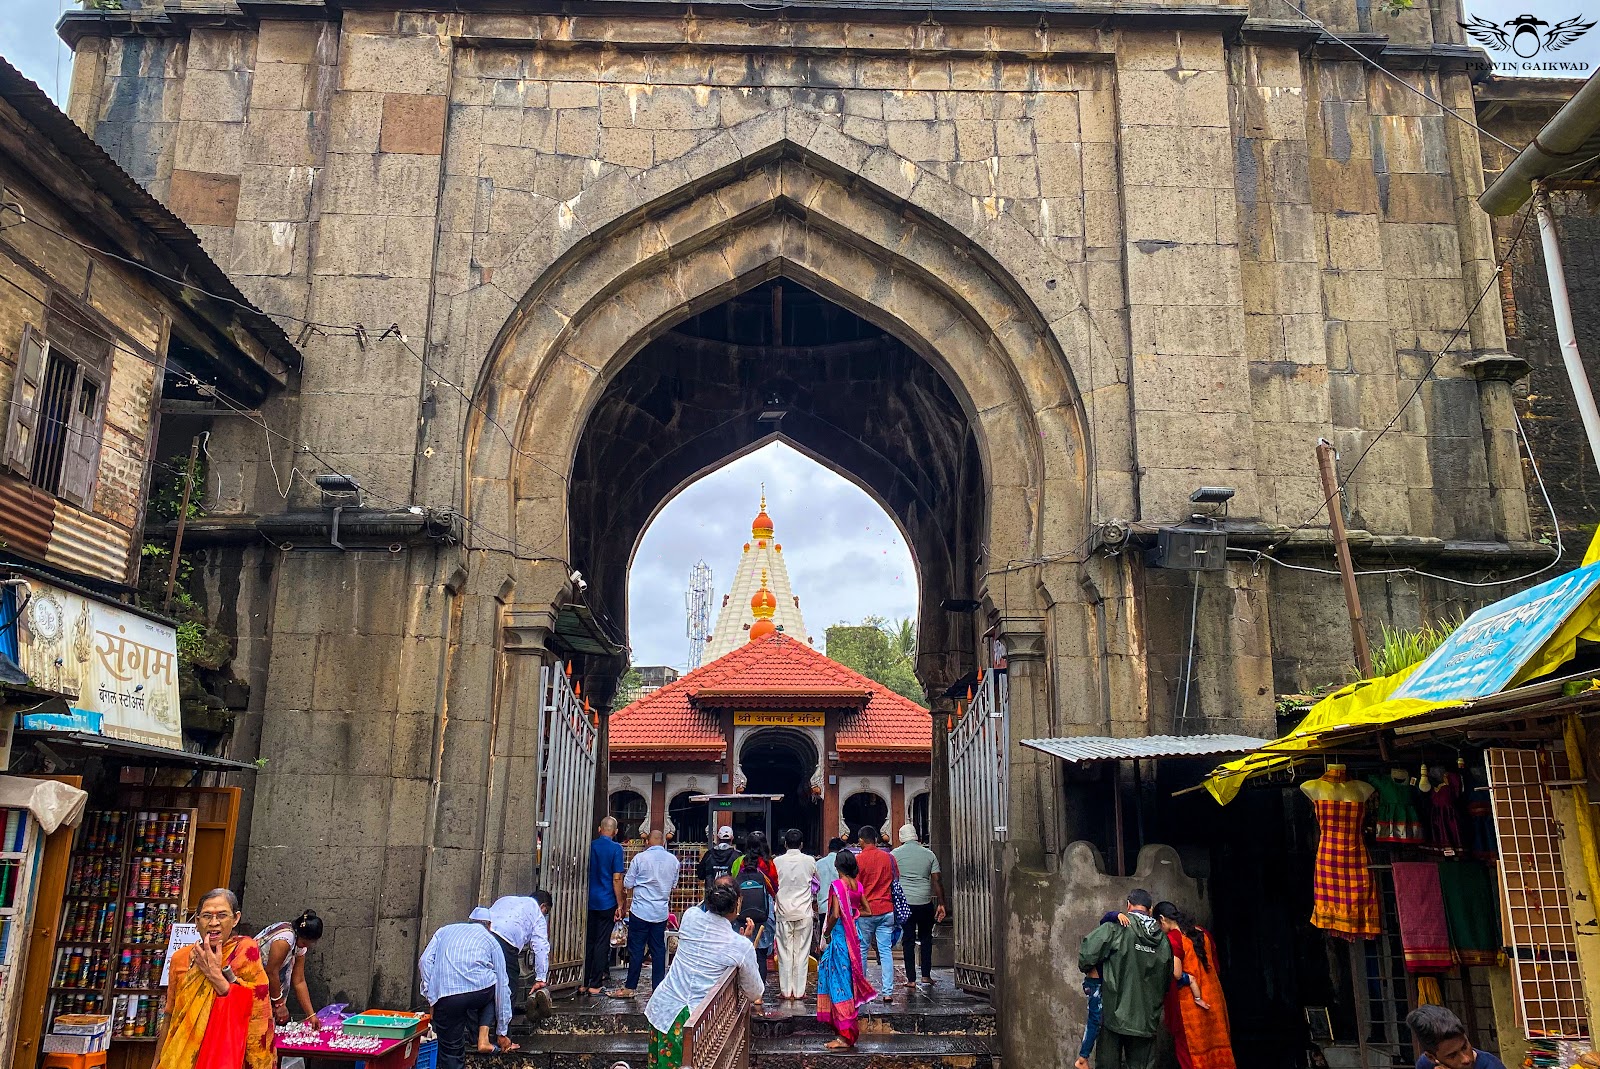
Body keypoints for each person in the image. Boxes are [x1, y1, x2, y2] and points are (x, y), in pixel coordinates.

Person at [643, 883, 764, 1068]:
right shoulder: (739, 945)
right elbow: (755, 991)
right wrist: (745, 945)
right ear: (736, 907)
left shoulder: (690, 917)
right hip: (697, 1021)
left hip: (664, 1008)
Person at [154, 888, 275, 1069]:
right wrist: (157, 1061)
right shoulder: (180, 958)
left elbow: (255, 1011)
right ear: (196, 921)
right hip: (182, 1056)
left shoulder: (245, 952)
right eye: (206, 916)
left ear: (236, 919)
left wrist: (214, 975)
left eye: (222, 915)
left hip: (227, 1056)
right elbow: (171, 1015)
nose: (214, 923)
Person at [1078, 889, 1173, 1069]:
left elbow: (1086, 957)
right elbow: (1166, 982)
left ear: (1128, 905)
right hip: (1146, 1020)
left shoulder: (1116, 927)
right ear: (1150, 910)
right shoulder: (1163, 940)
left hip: (1113, 1015)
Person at [419, 907, 515, 1069]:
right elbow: (503, 987)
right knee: (495, 986)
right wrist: (502, 1032)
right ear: (490, 925)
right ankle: (483, 1038)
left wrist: (432, 996)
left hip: (446, 995)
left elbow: (425, 961)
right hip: (480, 992)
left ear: (469, 920)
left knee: (450, 1051)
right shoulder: (491, 940)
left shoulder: (444, 931)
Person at [1153, 902, 1234, 1069]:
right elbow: (1216, 968)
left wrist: (1189, 979)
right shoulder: (1203, 933)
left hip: (1189, 1008)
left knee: (1191, 1055)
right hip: (1214, 1001)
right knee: (1218, 1049)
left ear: (1162, 920)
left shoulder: (1173, 938)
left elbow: (1176, 973)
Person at [816, 849, 878, 1049]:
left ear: (837, 867)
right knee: (847, 982)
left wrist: (826, 934)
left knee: (839, 984)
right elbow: (867, 910)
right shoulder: (857, 886)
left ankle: (844, 1036)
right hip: (855, 938)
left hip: (841, 939)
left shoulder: (837, 886)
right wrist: (853, 915)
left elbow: (834, 914)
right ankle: (844, 1031)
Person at [609, 828, 681, 998]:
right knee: (658, 951)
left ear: (648, 842)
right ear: (663, 842)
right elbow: (674, 885)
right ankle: (658, 989)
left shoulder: (640, 859)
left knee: (636, 950)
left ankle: (630, 987)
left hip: (640, 911)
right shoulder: (673, 861)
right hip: (660, 913)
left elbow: (628, 883)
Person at [891, 824, 947, 989]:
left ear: (901, 838)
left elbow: (891, 879)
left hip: (905, 903)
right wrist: (942, 904)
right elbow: (937, 880)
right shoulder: (929, 854)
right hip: (925, 902)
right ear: (916, 837)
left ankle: (911, 979)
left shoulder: (895, 855)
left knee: (908, 939)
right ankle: (926, 975)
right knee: (926, 938)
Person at [852, 825, 898, 1002]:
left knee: (862, 949)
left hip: (866, 911)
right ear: (877, 840)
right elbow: (895, 880)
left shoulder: (859, 859)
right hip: (887, 909)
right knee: (885, 951)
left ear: (862, 841)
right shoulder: (889, 858)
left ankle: (862, 990)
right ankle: (887, 991)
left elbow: (856, 887)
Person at [773, 828, 818, 999]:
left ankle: (785, 991)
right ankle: (799, 992)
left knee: (784, 953)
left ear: (785, 844)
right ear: (801, 844)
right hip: (804, 912)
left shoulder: (777, 862)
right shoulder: (809, 860)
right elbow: (816, 879)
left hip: (783, 911)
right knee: (802, 952)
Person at [256, 909, 322, 1025]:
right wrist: (279, 1004)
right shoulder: (285, 940)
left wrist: (311, 1015)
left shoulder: (299, 943)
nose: (306, 946)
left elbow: (299, 981)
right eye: (305, 943)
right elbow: (271, 972)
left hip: (269, 988)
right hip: (253, 983)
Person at [487, 890, 553, 1005]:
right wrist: (541, 978)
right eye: (546, 912)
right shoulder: (537, 912)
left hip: (484, 936)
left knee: (485, 981)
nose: (544, 916)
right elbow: (541, 948)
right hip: (505, 942)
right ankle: (503, 1021)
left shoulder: (506, 899)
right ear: (543, 906)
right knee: (509, 984)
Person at [587, 816, 627, 995]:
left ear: (599, 829)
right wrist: (620, 904)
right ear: (616, 831)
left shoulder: (591, 846)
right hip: (607, 901)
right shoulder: (616, 849)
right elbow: (617, 878)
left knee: (588, 941)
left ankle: (582, 981)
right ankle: (595, 983)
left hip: (588, 900)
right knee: (602, 942)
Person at [731, 832, 777, 984]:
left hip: (743, 910)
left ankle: (743, 987)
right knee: (761, 953)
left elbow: (733, 882)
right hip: (764, 910)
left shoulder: (739, 862)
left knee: (743, 950)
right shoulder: (769, 864)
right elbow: (775, 887)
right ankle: (759, 993)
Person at [1407, 1005, 1508, 1069]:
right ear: (1432, 1057)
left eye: (1465, 1047)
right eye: (1452, 1055)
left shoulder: (1492, 1066)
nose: (1466, 1059)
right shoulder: (1426, 1065)